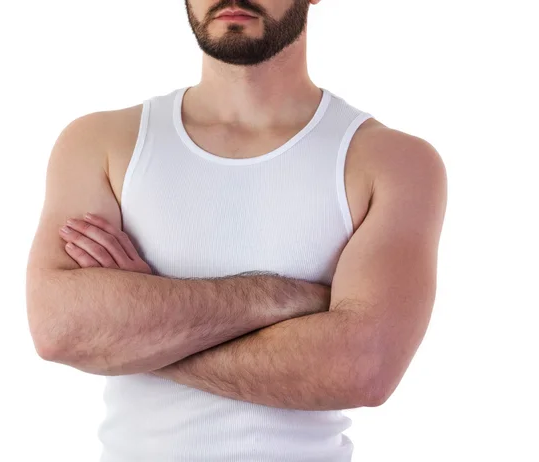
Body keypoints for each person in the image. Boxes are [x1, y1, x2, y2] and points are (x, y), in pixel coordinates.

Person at [25, 1, 448, 460]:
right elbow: (59, 329)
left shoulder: (391, 162)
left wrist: (138, 332)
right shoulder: (101, 143)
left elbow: (363, 369)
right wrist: (280, 298)